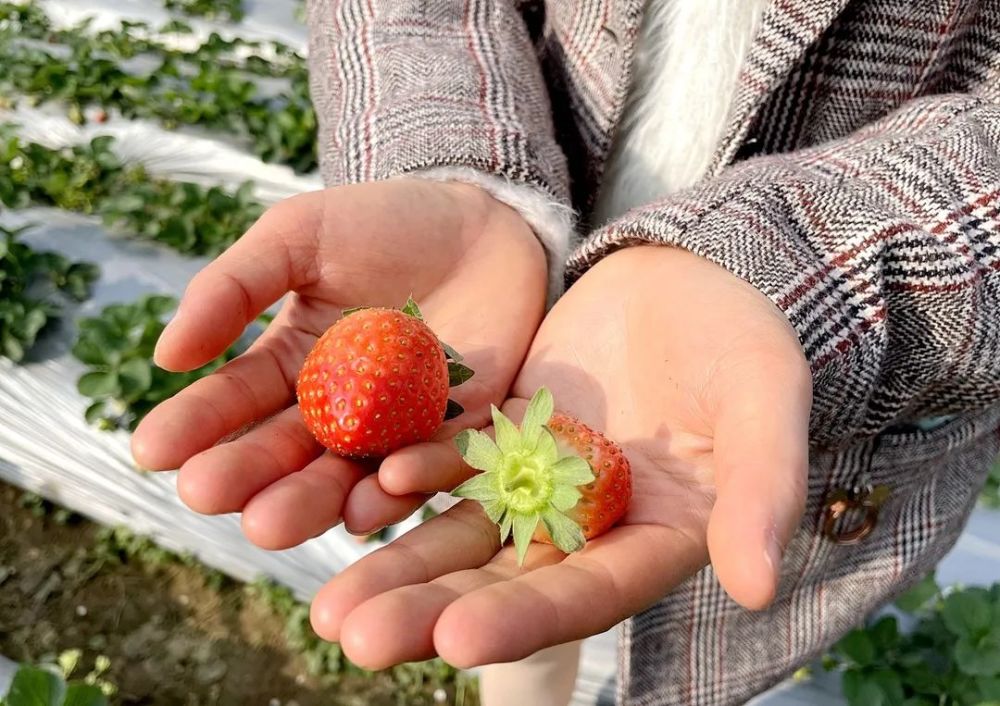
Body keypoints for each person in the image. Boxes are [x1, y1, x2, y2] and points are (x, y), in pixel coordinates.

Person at [130, 0, 1000, 704]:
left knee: (707, 601)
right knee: (510, 597)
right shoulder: (475, 384)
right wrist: (451, 167)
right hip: (515, 305)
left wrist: (801, 267)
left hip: (841, 396)